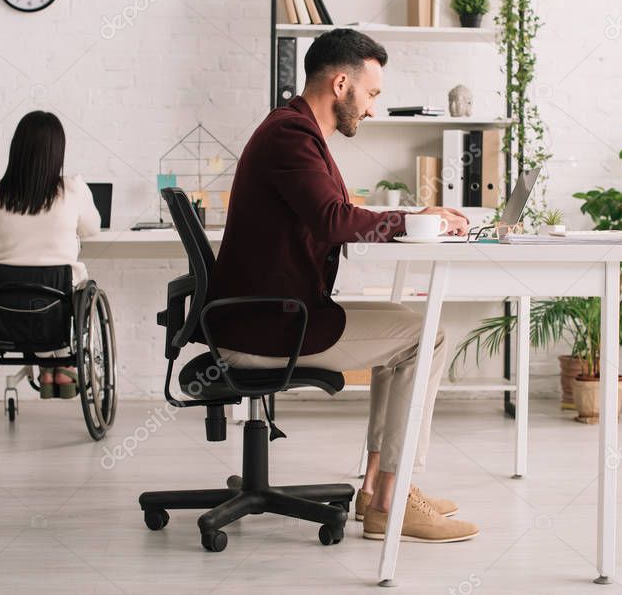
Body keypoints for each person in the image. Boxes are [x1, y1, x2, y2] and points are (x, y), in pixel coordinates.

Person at [204, 29, 479, 543]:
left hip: (266, 315)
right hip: (269, 326)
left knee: (411, 330)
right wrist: (416, 220)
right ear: (340, 84)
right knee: (427, 335)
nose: (373, 110)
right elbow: (333, 219)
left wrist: (405, 218)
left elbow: (332, 215)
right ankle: (391, 502)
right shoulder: (291, 135)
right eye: (372, 95)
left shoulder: (293, 130)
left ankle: (379, 492)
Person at [0, 110, 101, 399]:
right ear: (57, 152)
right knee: (66, 289)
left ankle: (48, 367)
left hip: (5, 298)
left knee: (42, 288)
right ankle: (58, 366)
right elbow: (92, 228)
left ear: (16, 148)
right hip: (57, 293)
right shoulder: (72, 189)